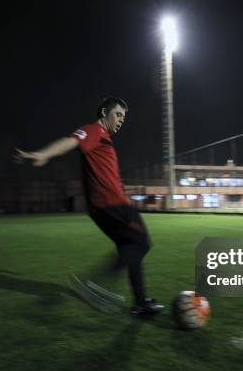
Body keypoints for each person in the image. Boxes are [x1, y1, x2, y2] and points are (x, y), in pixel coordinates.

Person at [14, 97, 164, 316]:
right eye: (118, 114)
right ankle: (94, 286)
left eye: (124, 117)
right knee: (141, 244)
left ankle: (141, 304)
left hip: (101, 208)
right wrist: (43, 153)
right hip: (112, 205)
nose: (121, 120)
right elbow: (72, 140)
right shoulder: (94, 131)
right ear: (104, 112)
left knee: (131, 249)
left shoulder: (105, 140)